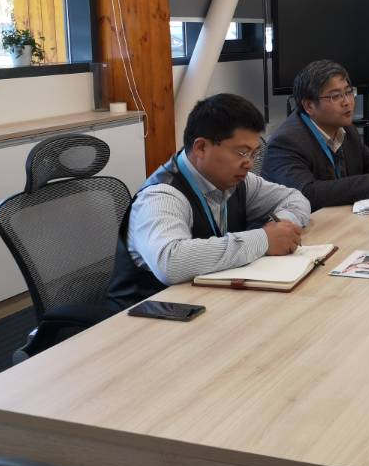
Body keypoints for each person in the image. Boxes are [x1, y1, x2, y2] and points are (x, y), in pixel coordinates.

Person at [106, 93, 311, 308]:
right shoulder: (161, 196)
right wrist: (264, 240)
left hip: (208, 302)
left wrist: (282, 228)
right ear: (201, 148)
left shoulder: (238, 181)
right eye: (242, 152)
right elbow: (171, 262)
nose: (249, 164)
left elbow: (295, 198)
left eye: (254, 153)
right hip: (146, 315)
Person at [263, 59, 369, 210]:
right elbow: (308, 193)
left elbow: (368, 159)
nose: (347, 102)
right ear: (309, 105)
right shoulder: (286, 142)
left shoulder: (345, 127)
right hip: (302, 223)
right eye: (335, 96)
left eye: (348, 92)